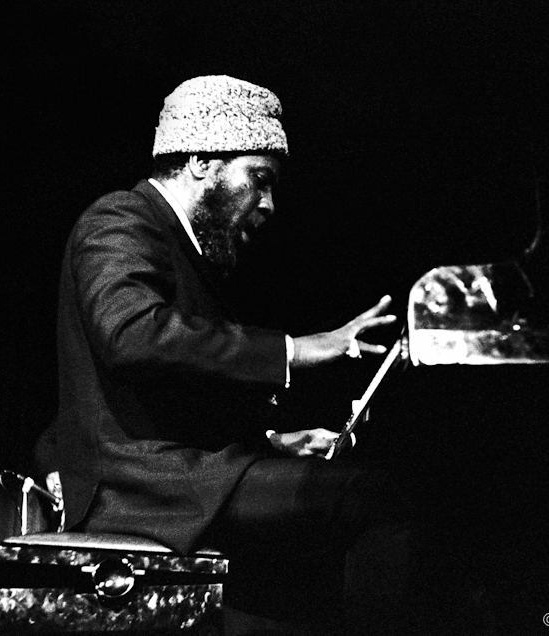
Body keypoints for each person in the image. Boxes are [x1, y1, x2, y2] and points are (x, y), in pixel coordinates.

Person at [38, 75, 411, 632]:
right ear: (201, 162)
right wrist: (295, 350)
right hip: (141, 488)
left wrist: (274, 443)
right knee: (377, 499)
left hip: (184, 480)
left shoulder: (189, 252)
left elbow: (175, 399)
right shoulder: (119, 219)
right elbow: (132, 336)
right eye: (258, 179)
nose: (268, 204)